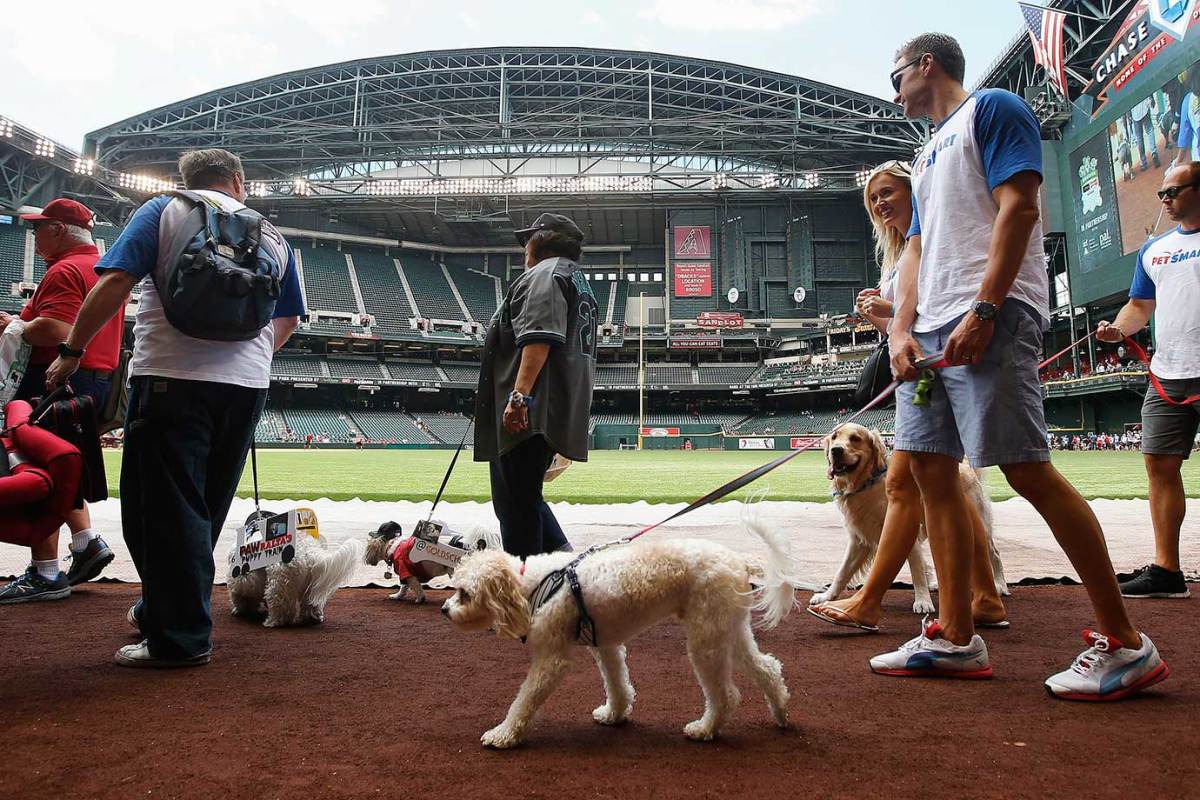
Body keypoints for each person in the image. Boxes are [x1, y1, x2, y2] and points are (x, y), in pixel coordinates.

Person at [877, 32, 1164, 700]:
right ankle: (952, 635)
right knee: (928, 471)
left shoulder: (994, 108)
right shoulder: (924, 154)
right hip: (928, 330)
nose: (894, 92)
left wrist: (985, 308)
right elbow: (915, 249)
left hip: (989, 316)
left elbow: (1020, 206)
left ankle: (1125, 642)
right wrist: (899, 325)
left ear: (926, 65)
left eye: (896, 77)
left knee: (1026, 467)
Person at [44, 148, 304, 667]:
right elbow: (289, 320)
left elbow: (114, 282)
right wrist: (243, 359)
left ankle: (180, 638)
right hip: (246, 385)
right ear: (238, 180)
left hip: (170, 378)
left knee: (160, 512)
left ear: (185, 179)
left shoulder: (163, 210)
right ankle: (168, 605)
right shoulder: (272, 233)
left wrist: (72, 351)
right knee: (203, 509)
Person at [808, 160, 1007, 631]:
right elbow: (900, 329)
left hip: (935, 368)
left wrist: (892, 309)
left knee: (936, 482)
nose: (879, 203)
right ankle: (976, 597)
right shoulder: (899, 253)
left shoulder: (932, 240)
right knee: (937, 486)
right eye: (873, 198)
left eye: (888, 192)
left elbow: (936, 305)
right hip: (918, 373)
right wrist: (880, 315)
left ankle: (875, 599)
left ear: (914, 191)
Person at [0, 199, 126, 604]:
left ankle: (45, 571)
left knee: (40, 469)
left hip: (57, 376)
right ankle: (86, 540)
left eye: (39, 227)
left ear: (59, 229)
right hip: (95, 377)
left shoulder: (64, 269)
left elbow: (58, 329)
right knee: (65, 464)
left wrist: (16, 324)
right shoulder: (102, 267)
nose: (34, 235)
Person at [1096, 161, 1200, 599]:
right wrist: (1119, 329)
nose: (1164, 199)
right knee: (1159, 466)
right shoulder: (1153, 250)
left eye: (1172, 191)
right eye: (1161, 192)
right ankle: (1167, 571)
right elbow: (1140, 306)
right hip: (1167, 374)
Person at [474, 213, 598, 558]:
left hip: (532, 410)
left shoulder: (544, 274)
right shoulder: (576, 278)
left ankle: (527, 593)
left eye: (527, 241)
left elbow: (539, 340)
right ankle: (565, 564)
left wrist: (519, 398)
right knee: (525, 498)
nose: (523, 249)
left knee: (515, 510)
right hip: (554, 406)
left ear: (542, 241)